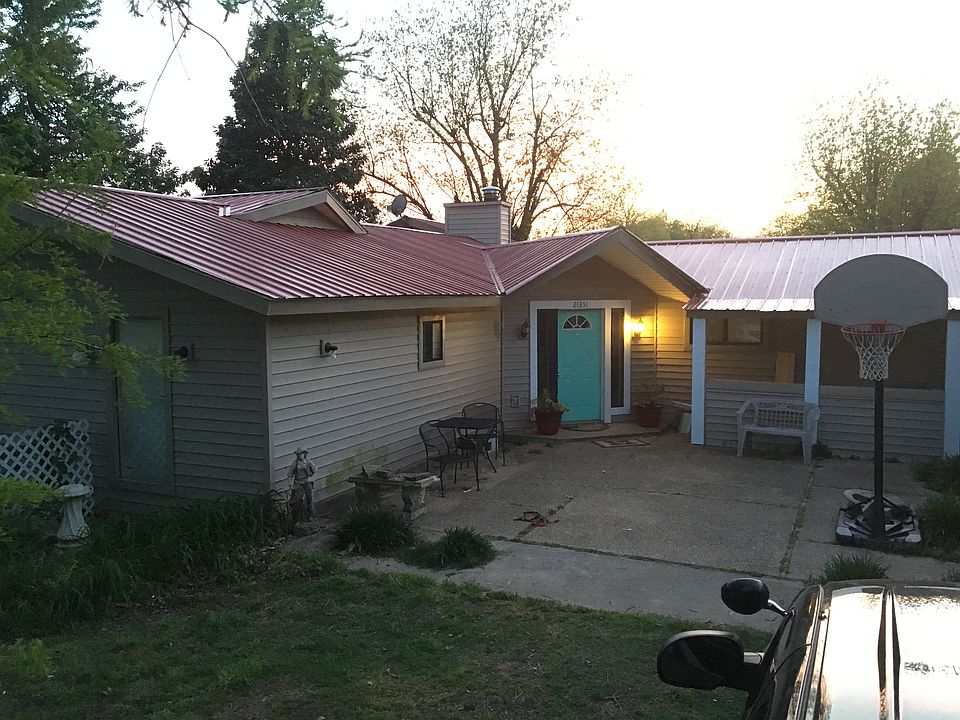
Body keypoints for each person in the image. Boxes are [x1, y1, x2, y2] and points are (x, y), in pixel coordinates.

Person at [286, 447, 317, 518]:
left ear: (304, 454)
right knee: (295, 500)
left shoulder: (309, 462)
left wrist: (311, 478)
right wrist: (290, 484)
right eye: (298, 454)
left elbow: (315, 470)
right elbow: (290, 474)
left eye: (301, 454)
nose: (300, 455)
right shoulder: (294, 463)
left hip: (307, 482)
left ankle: (311, 514)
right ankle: (297, 516)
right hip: (298, 483)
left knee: (310, 499)